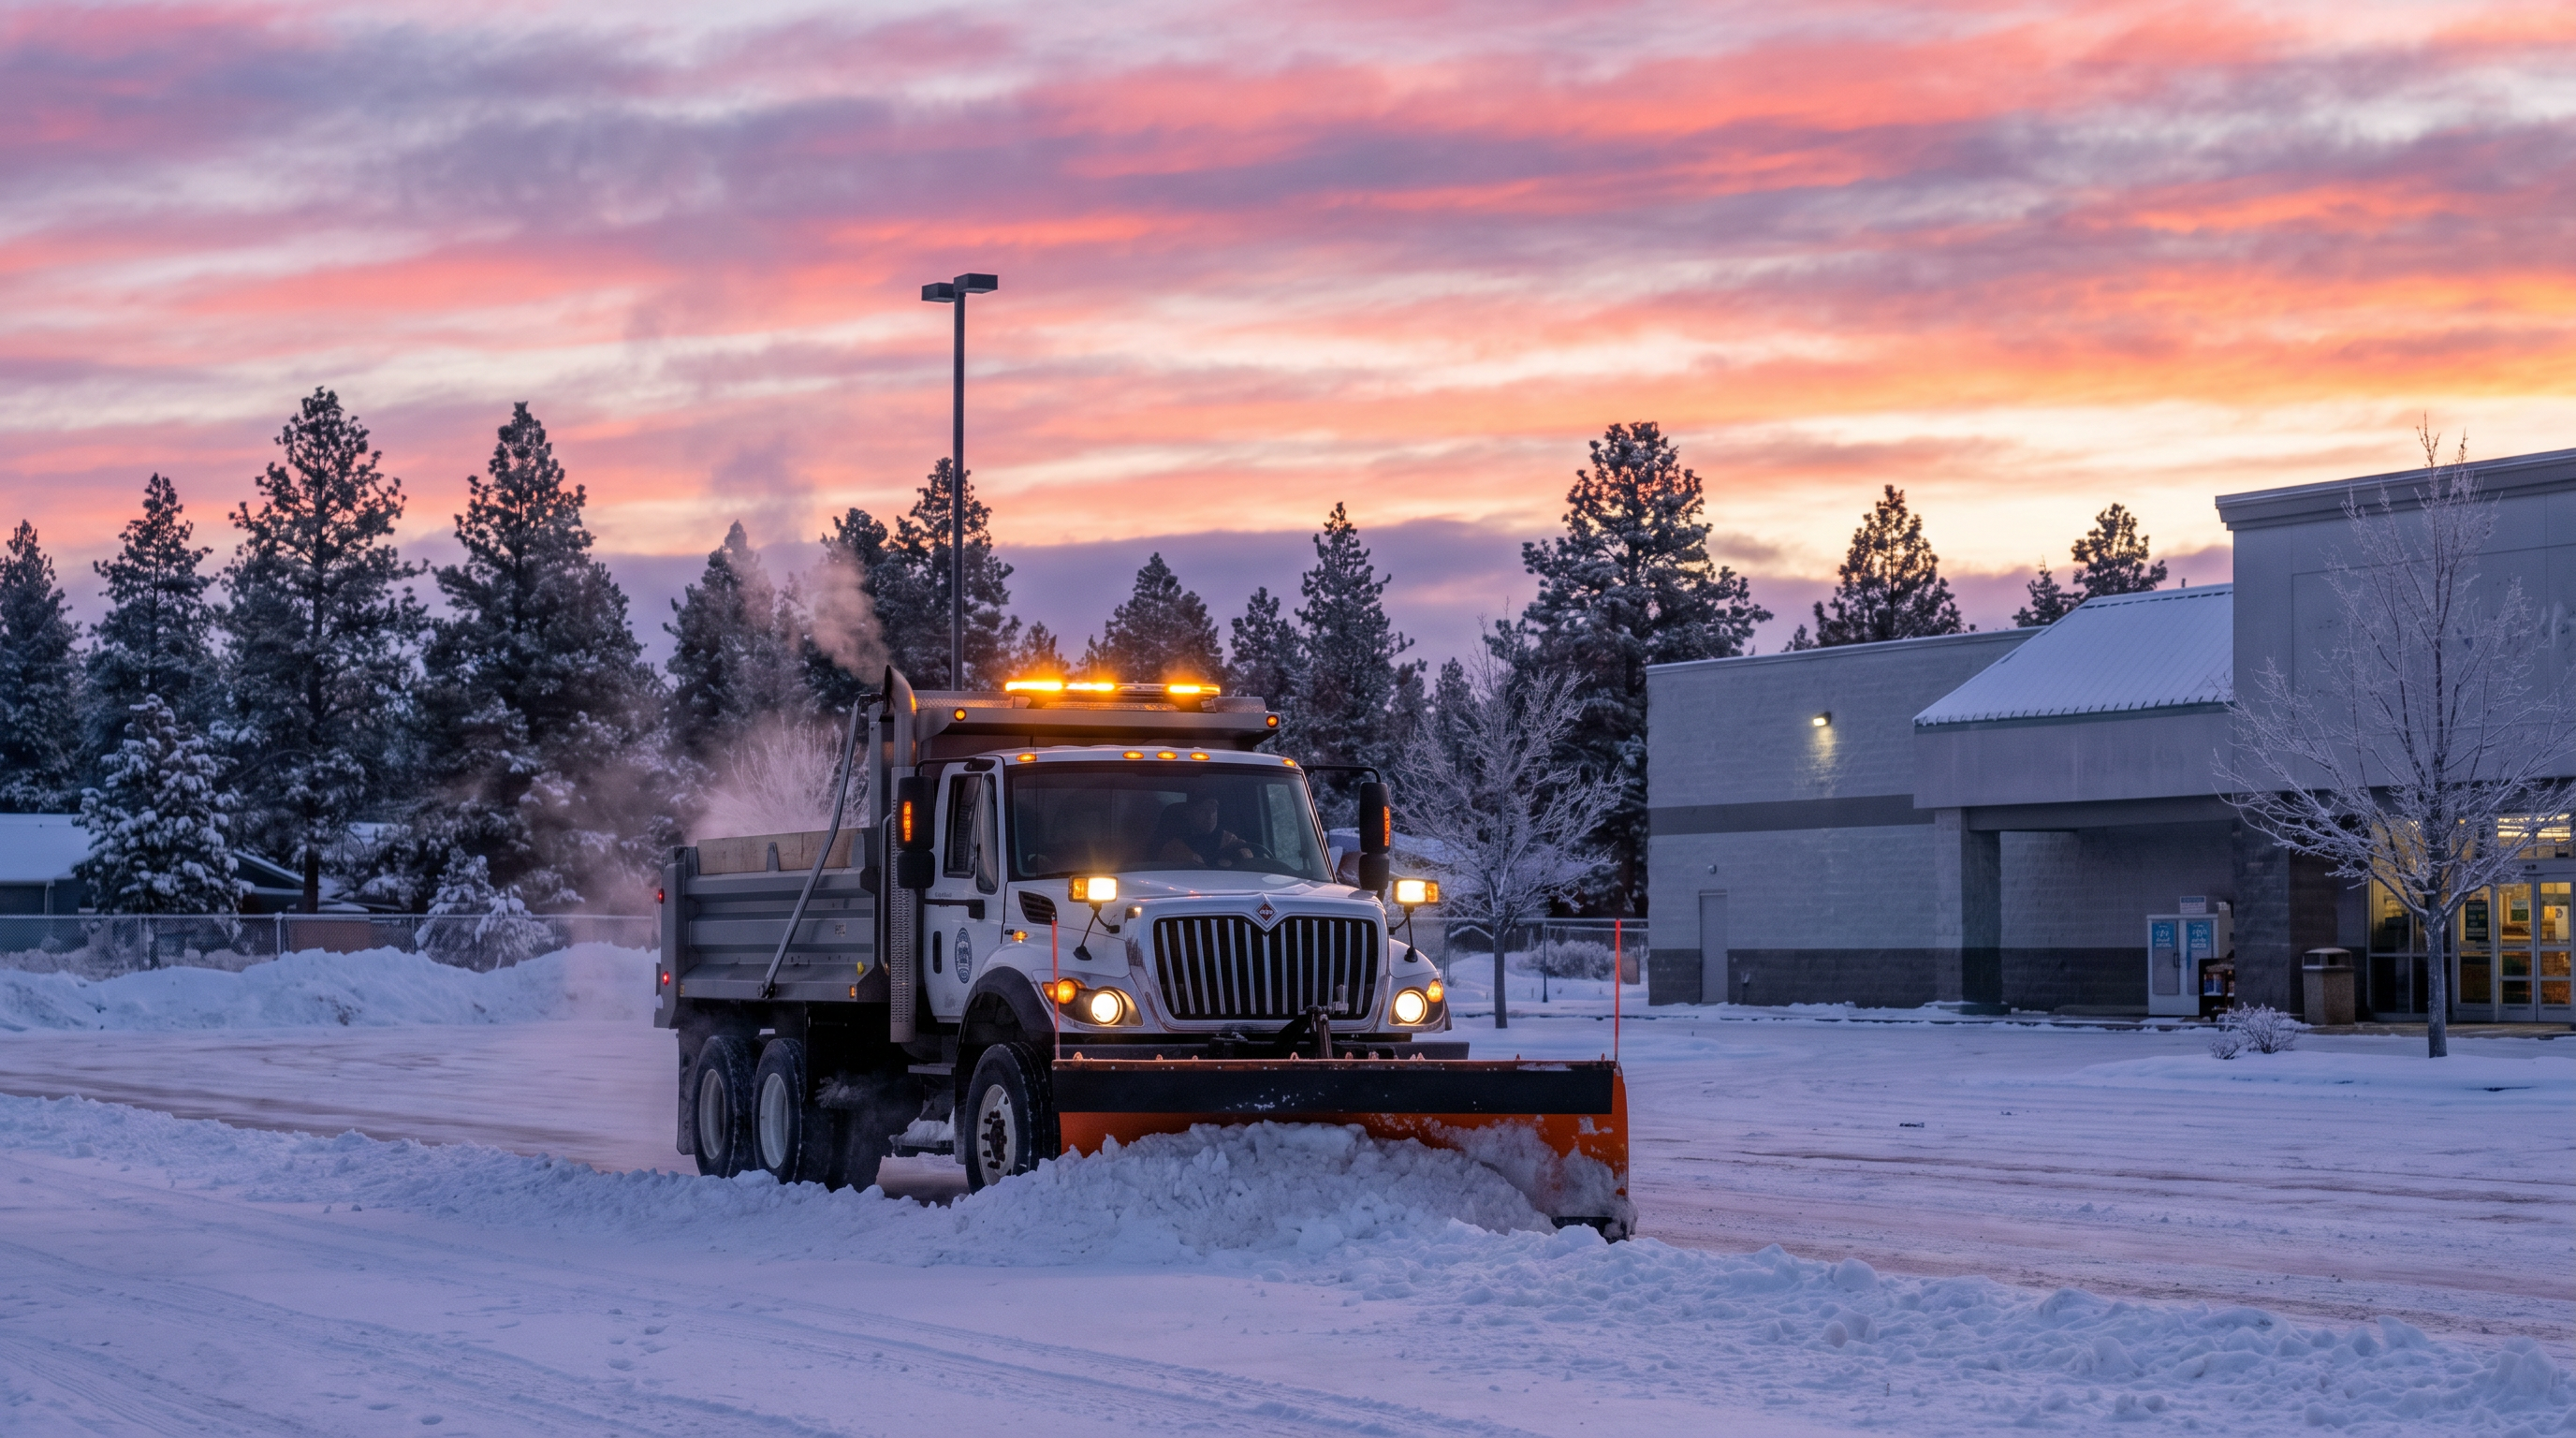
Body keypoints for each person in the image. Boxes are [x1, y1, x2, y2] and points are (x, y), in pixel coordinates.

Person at [1150, 793, 1258, 868]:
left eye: (1213, 810)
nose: (1210, 816)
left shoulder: (1230, 841)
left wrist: (1245, 856)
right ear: (1189, 814)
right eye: (1202, 810)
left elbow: (1248, 869)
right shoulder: (1174, 847)